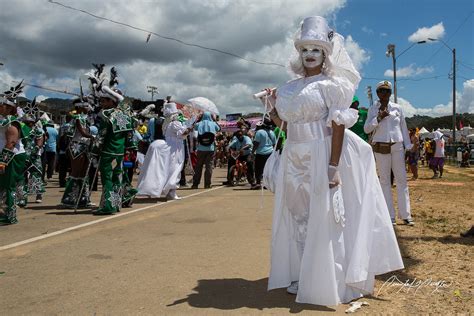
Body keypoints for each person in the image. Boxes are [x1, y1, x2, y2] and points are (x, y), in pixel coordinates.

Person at [263, 16, 403, 306]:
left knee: (325, 215)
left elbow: (338, 125)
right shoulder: (288, 88)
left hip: (320, 152)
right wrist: (271, 109)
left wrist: (332, 164)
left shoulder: (332, 85)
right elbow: (285, 127)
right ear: (298, 54)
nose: (310, 55)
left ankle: (331, 276)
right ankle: (304, 273)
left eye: (315, 49)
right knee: (300, 216)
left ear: (325, 53)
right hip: (294, 155)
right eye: (305, 50)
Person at [364, 80, 414, 226]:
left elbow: (403, 127)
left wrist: (408, 145)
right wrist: (378, 118)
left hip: (397, 146)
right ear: (377, 93)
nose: (384, 93)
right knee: (385, 181)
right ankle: (389, 216)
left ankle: (406, 215)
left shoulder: (397, 108)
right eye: (381, 91)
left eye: (387, 91)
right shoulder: (373, 109)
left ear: (390, 93)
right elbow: (367, 129)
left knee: (402, 180)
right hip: (381, 147)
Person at [93, 74, 136, 215]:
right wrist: (129, 149)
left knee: (107, 179)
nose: (102, 104)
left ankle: (108, 206)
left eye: (104, 101)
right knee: (117, 178)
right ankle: (116, 204)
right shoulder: (124, 116)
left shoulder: (105, 115)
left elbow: (101, 136)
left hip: (107, 153)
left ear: (112, 102)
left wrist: (94, 149)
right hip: (119, 153)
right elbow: (129, 136)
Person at [137, 102, 193, 200]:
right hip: (175, 149)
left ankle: (169, 191)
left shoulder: (167, 123)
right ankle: (171, 192)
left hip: (171, 147)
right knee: (175, 169)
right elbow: (182, 134)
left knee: (171, 169)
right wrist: (189, 129)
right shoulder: (175, 123)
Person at [0, 82, 27, 225]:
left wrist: (2, 161)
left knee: (8, 185)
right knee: (2, 185)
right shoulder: (4, 120)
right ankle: (2, 212)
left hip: (12, 156)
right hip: (6, 155)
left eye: (1, 104)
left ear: (9, 107)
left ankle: (9, 215)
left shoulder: (13, 122)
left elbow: (11, 142)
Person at [60, 98, 94, 208]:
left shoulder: (86, 119)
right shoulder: (77, 117)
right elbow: (82, 132)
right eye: (86, 105)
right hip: (77, 147)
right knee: (75, 173)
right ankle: (69, 199)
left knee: (84, 174)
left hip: (84, 147)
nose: (88, 107)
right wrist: (93, 137)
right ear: (80, 107)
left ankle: (83, 199)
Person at [19, 114, 45, 205]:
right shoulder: (21, 129)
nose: (25, 124)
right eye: (24, 122)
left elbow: (40, 140)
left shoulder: (38, 130)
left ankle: (39, 195)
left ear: (32, 123)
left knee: (36, 174)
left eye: (27, 122)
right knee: (22, 176)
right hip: (23, 155)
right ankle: (22, 197)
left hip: (35, 156)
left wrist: (36, 148)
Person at [192, 112, 221, 189]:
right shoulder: (213, 124)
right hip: (210, 148)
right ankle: (207, 184)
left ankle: (195, 184)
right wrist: (214, 120)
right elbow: (219, 128)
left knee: (198, 166)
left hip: (201, 148)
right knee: (209, 166)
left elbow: (194, 127)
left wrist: (198, 119)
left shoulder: (199, 124)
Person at [251, 119, 275, 190]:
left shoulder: (259, 132)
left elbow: (256, 144)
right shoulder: (272, 132)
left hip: (261, 153)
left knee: (258, 169)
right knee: (267, 169)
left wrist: (252, 152)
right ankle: (267, 184)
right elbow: (274, 144)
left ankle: (258, 183)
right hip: (270, 153)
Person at [57, 114, 72, 187]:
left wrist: (59, 147)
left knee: (62, 168)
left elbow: (59, 137)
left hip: (62, 150)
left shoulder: (61, 126)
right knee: (71, 168)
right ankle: (70, 182)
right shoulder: (72, 126)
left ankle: (62, 182)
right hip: (70, 151)